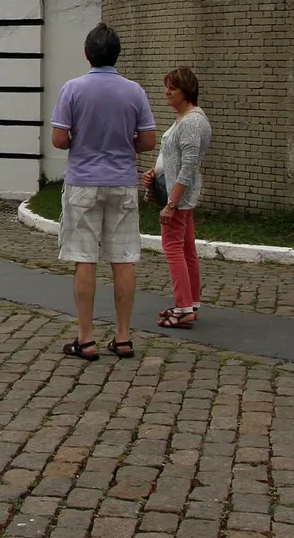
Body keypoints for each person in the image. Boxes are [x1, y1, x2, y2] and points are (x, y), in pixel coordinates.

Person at [51, 23, 158, 360]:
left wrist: (81, 140)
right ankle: (123, 337)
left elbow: (59, 139)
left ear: (87, 54)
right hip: (122, 181)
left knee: (84, 258)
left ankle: (86, 338)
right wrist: (123, 143)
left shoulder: (72, 89)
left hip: (83, 181)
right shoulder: (135, 91)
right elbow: (148, 140)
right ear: (117, 55)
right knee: (123, 258)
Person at [142, 66, 212, 329]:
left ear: (186, 91)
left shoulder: (192, 122)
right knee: (186, 249)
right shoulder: (183, 119)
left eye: (173, 87)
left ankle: (183, 308)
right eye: (167, 87)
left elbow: (189, 166)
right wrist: (155, 172)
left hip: (179, 198)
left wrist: (172, 203)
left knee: (173, 249)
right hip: (177, 194)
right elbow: (174, 158)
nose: (167, 92)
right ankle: (190, 303)